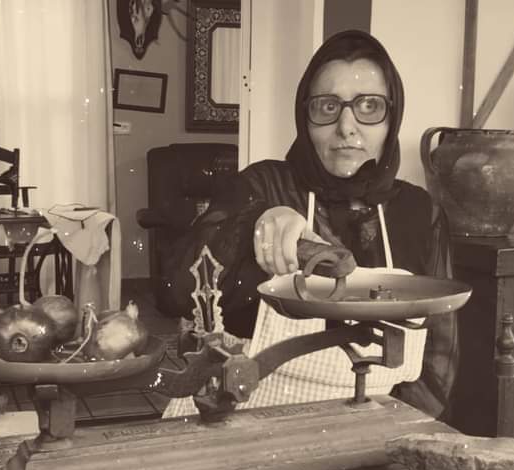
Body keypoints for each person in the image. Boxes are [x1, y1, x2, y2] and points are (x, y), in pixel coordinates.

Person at [163, 30, 458, 419]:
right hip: (245, 417)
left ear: (392, 117)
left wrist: (401, 432)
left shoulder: (419, 211)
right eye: (327, 106)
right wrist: (256, 219)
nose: (347, 127)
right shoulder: (261, 184)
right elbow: (174, 292)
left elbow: (439, 356)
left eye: (369, 106)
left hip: (376, 423)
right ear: (306, 116)